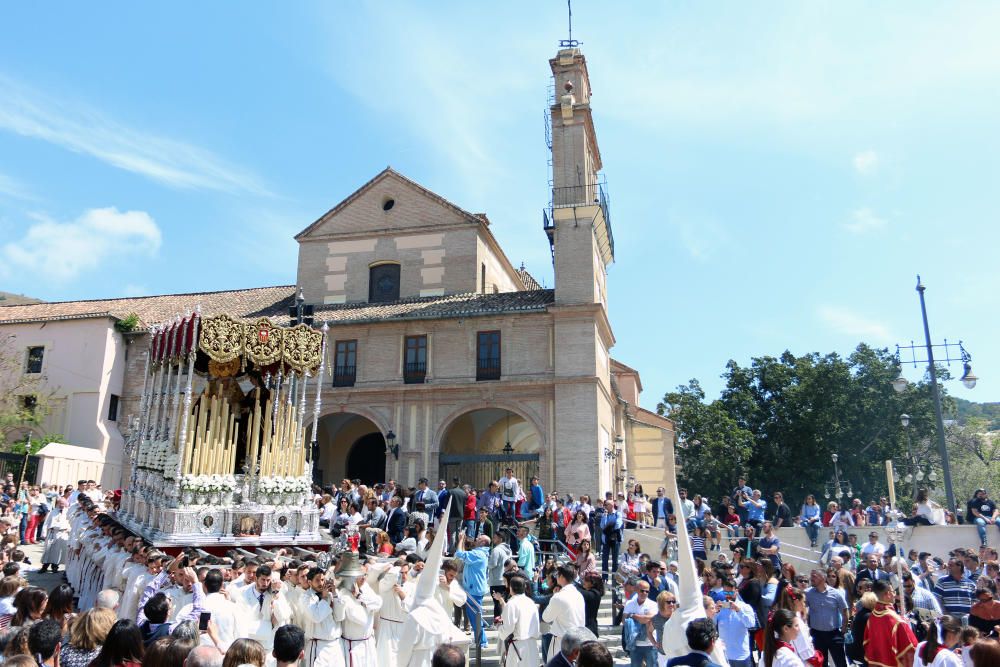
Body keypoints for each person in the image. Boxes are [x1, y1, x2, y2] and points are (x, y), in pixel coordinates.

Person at [864, 580, 917, 667]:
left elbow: (868, 645)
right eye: (893, 592)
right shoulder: (896, 621)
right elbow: (910, 652)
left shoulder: (872, 617)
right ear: (888, 594)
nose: (894, 594)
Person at [804, 568, 849, 667]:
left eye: (814, 576)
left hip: (834, 634)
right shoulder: (808, 593)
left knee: (841, 663)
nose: (811, 579)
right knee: (821, 663)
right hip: (817, 634)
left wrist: (843, 630)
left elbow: (845, 612)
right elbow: (802, 610)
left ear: (823, 578)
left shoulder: (836, 593)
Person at [494, 574, 541, 667]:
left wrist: (498, 626)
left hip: (519, 646)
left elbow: (508, 629)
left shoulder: (512, 603)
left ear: (511, 588)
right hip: (532, 645)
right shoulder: (531, 602)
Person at [454, 532, 490, 650]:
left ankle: (482, 642)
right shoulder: (479, 553)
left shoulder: (479, 554)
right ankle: (481, 640)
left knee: (475, 617)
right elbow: (462, 555)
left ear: (483, 542)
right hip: (473, 589)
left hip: (474, 590)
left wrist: (460, 539)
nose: (476, 538)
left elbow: (459, 554)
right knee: (474, 617)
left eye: (479, 538)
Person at [542, 564, 586, 659]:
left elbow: (546, 617)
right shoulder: (579, 595)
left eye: (558, 574)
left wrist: (554, 596)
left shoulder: (559, 597)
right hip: (577, 639)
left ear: (561, 576)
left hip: (561, 641)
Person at [716, 576, 757, 667]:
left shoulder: (745, 607)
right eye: (725, 592)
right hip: (724, 655)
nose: (728, 595)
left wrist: (739, 611)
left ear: (736, 591)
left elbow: (751, 624)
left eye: (731, 592)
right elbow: (712, 624)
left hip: (741, 655)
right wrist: (713, 612)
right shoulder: (721, 607)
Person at [624, 579, 659, 667]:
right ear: (636, 589)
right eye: (642, 590)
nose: (644, 593)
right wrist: (643, 617)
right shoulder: (629, 603)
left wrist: (633, 616)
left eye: (647, 591)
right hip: (634, 644)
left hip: (650, 643)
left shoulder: (653, 604)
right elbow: (624, 620)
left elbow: (649, 619)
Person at [39, 497, 70, 573]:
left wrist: (69, 530)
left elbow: (71, 523)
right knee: (48, 550)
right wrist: (44, 533)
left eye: (63, 503)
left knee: (58, 552)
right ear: (57, 503)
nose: (61, 505)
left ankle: (55, 566)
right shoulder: (52, 512)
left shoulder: (68, 512)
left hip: (62, 533)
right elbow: (46, 522)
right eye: (60, 503)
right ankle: (45, 566)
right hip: (52, 533)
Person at [600, 500, 623, 581]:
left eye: (606, 505)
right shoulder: (604, 515)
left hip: (615, 539)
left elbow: (618, 525)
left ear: (612, 505)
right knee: (604, 559)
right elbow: (602, 526)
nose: (605, 506)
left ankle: (614, 578)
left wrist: (608, 527)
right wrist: (605, 517)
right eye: (604, 505)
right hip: (606, 539)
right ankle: (604, 578)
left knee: (615, 560)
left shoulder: (618, 514)